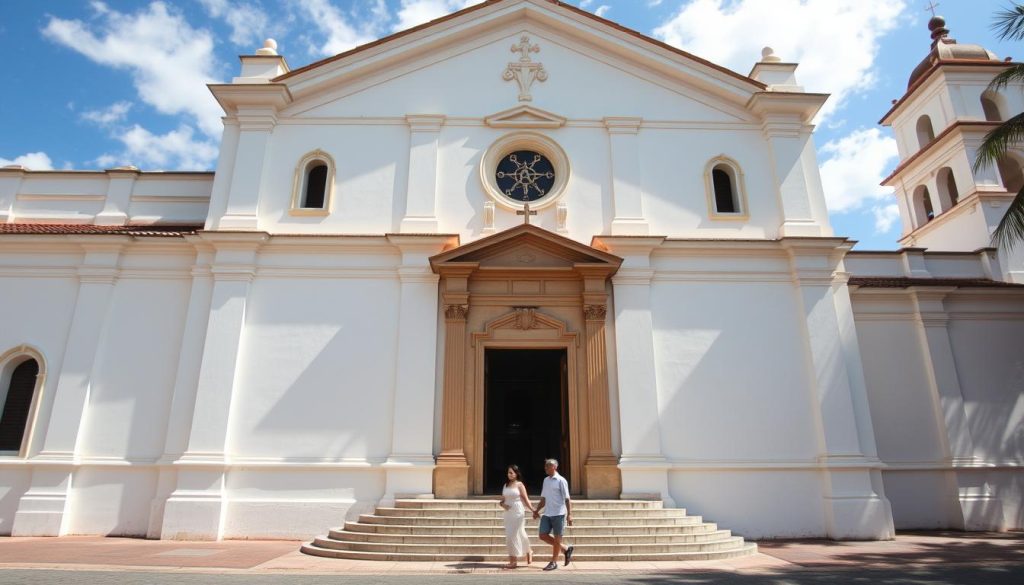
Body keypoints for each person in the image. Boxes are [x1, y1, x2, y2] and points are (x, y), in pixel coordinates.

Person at [532, 458, 574, 571]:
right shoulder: (546, 480)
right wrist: (537, 510)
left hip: (559, 513)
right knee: (542, 535)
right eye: (545, 466)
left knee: (557, 538)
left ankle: (554, 562)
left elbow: (567, 499)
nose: (545, 468)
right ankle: (565, 549)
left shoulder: (561, 480)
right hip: (547, 513)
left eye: (548, 466)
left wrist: (569, 514)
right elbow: (544, 498)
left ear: (554, 467)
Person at [499, 464, 535, 569]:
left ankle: (513, 561)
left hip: (518, 511)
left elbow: (526, 499)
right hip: (508, 513)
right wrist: (502, 504)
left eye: (511, 473)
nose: (509, 474)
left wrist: (533, 510)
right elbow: (503, 500)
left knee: (512, 535)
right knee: (520, 532)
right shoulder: (505, 485)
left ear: (516, 474)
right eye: (508, 472)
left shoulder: (520, 485)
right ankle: (529, 551)